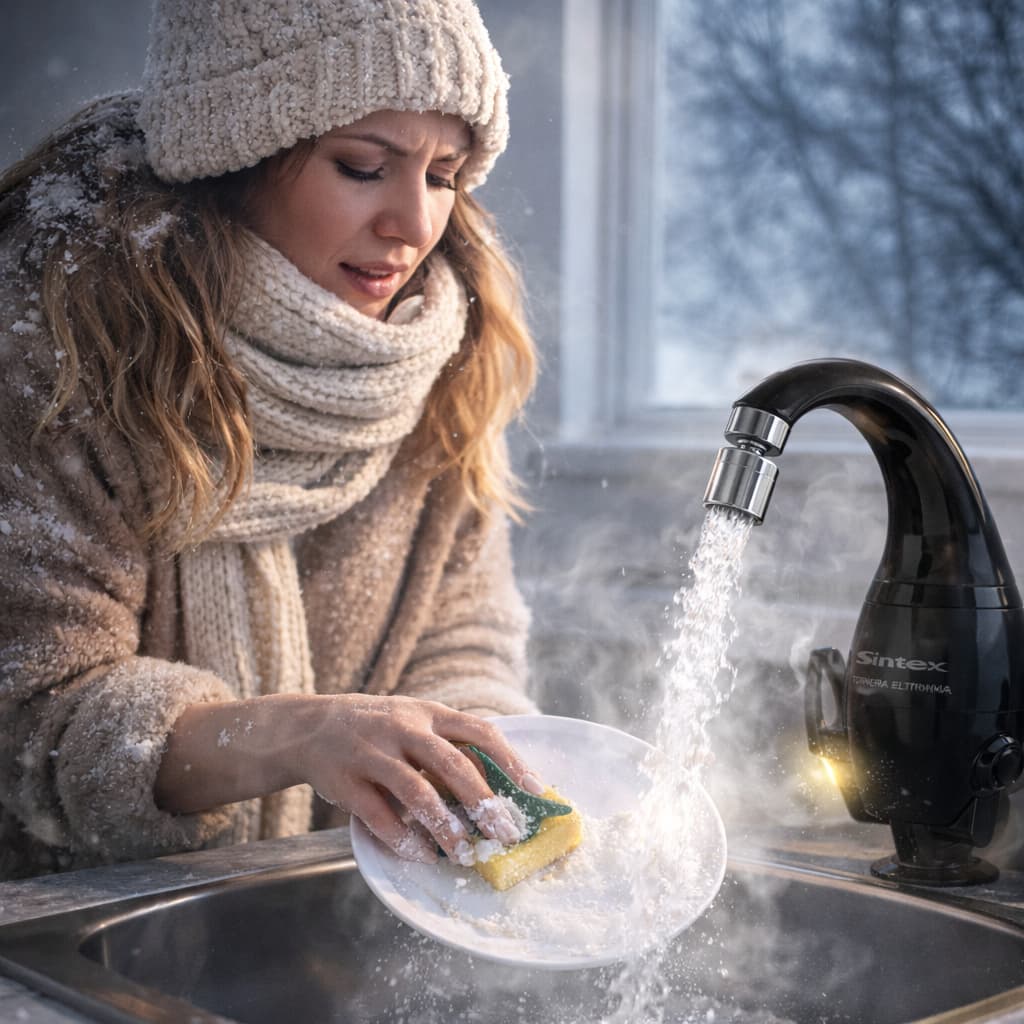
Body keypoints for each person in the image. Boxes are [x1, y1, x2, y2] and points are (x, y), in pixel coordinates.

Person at [0, 0, 544, 880]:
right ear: (237, 158)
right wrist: (298, 735)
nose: (412, 223)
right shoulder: (56, 360)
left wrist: (482, 770)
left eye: (444, 175)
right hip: (60, 935)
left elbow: (461, 638)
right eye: (364, 166)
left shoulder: (438, 361)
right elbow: (30, 725)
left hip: (338, 916)